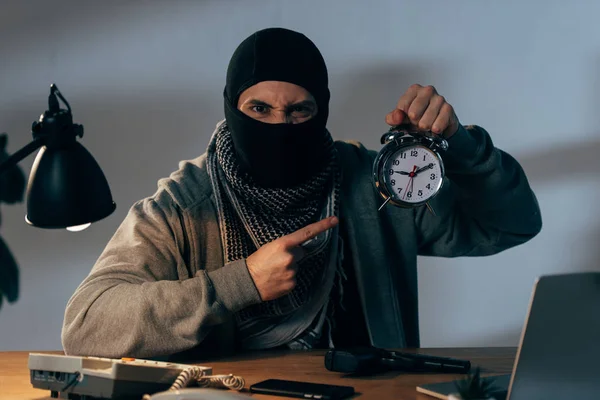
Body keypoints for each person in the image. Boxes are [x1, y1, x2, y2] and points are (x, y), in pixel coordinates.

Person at [61, 27, 542, 360]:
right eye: (259, 108)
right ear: (232, 108)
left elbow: (509, 223)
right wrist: (241, 282)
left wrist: (457, 144)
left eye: (299, 110)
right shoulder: (185, 206)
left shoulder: (374, 184)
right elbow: (86, 325)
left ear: (322, 111)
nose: (280, 125)